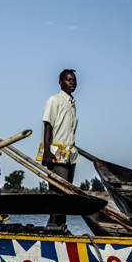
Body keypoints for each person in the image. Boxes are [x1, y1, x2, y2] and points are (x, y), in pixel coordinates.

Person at [41, 69, 78, 227]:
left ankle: (62, 226)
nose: (72, 82)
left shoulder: (72, 103)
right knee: (58, 191)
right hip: (56, 151)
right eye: (69, 80)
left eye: (74, 80)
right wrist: (47, 151)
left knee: (67, 194)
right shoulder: (54, 100)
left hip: (70, 152)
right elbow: (48, 125)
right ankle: (53, 226)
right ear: (60, 82)